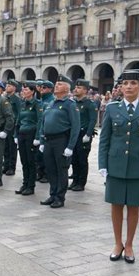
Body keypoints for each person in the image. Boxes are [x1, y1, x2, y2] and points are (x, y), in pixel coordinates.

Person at [99, 69, 139, 264]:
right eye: (125, 84)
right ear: (120, 87)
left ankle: (130, 244)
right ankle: (118, 243)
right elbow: (104, 139)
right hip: (115, 164)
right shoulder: (112, 108)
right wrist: (102, 164)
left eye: (133, 83)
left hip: (138, 165)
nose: (129, 87)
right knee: (116, 205)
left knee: (133, 207)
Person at [38, 75, 79, 208]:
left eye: (60, 84)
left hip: (61, 140)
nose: (57, 86)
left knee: (61, 170)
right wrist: (42, 141)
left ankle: (60, 197)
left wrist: (70, 146)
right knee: (50, 169)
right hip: (48, 141)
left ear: (67, 89)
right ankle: (53, 193)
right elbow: (43, 123)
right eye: (56, 83)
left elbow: (75, 126)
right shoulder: (51, 103)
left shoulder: (70, 104)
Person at [69, 79, 98, 192]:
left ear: (85, 90)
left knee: (82, 159)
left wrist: (88, 134)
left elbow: (92, 120)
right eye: (75, 87)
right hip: (74, 133)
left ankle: (81, 183)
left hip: (83, 133)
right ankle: (75, 180)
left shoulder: (89, 104)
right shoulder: (73, 103)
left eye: (79, 88)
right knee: (74, 159)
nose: (75, 89)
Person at [15, 81, 41, 195]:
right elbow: (18, 120)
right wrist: (16, 135)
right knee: (24, 161)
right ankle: (25, 183)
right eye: (23, 90)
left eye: (26, 90)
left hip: (31, 134)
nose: (23, 92)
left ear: (32, 91)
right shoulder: (22, 103)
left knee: (31, 161)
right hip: (22, 133)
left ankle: (30, 186)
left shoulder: (36, 103)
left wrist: (37, 137)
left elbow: (40, 120)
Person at [2, 80, 22, 176]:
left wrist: (17, 126)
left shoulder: (16, 99)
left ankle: (11, 167)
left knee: (12, 148)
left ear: (14, 88)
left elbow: (19, 113)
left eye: (9, 86)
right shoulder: (5, 97)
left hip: (13, 126)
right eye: (6, 85)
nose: (7, 87)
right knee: (5, 147)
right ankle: (6, 165)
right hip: (5, 125)